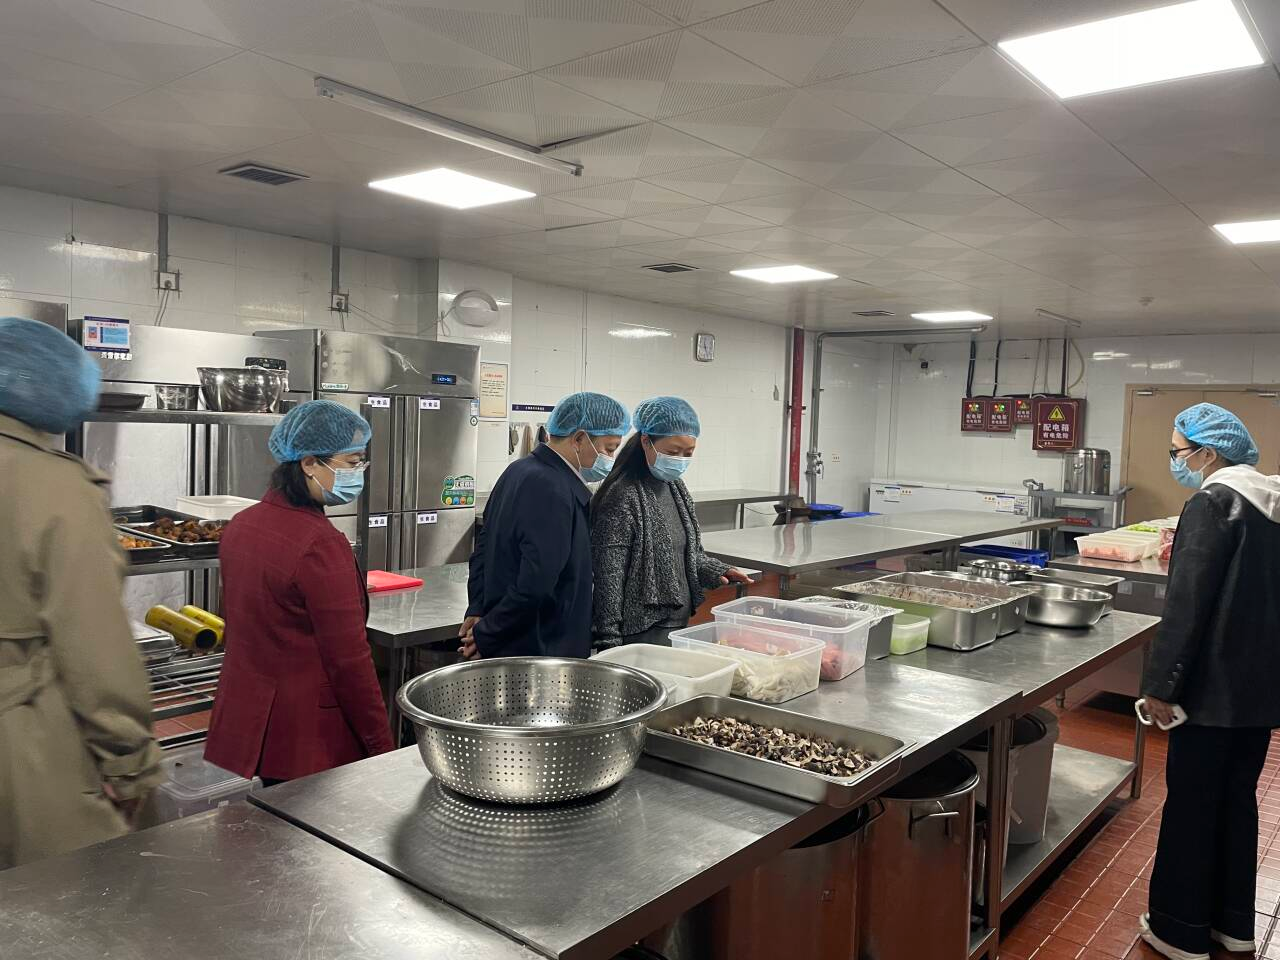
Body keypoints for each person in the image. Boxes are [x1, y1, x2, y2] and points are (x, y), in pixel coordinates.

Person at [0, 317, 162, 869]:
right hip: (25, 744)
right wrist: (130, 762)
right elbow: (95, 649)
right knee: (67, 900)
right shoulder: (56, 487)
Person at [1139, 403, 1280, 960]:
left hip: (1209, 693)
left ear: (1208, 452)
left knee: (1192, 807)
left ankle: (1179, 932)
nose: (1176, 461)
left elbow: (1187, 607)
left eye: (1178, 451)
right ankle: (1233, 925)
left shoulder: (1213, 502)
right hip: (1260, 692)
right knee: (1237, 803)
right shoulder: (1272, 504)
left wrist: (1161, 686)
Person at [205, 400, 393, 784]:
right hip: (308, 736)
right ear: (308, 463)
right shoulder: (319, 543)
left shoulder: (242, 524)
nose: (358, 473)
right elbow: (350, 662)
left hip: (254, 722)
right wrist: (382, 748)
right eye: (351, 462)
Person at [462, 392, 630, 659]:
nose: (610, 458)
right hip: (541, 648)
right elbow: (536, 582)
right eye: (609, 448)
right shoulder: (553, 488)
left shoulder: (518, 470)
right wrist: (489, 632)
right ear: (579, 439)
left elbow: (482, 549)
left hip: (515, 638)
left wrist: (478, 608)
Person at [590, 396, 751, 647]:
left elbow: (687, 553)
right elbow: (609, 575)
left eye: (688, 453)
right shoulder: (623, 495)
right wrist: (608, 638)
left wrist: (716, 570)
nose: (680, 460)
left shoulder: (675, 486)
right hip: (641, 630)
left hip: (678, 621)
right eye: (673, 452)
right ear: (646, 441)